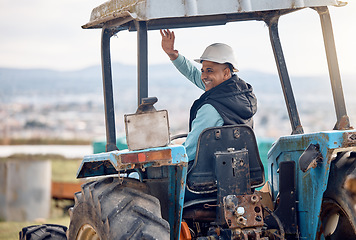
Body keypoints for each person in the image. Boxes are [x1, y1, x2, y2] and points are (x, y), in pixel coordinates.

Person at [160, 29, 257, 161]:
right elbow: (195, 75)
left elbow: (188, 152)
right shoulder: (238, 95)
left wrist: (163, 158)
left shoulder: (212, 109)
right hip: (235, 170)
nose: (204, 76)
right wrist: (173, 55)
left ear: (226, 73)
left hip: (205, 174)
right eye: (203, 70)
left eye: (209, 71)